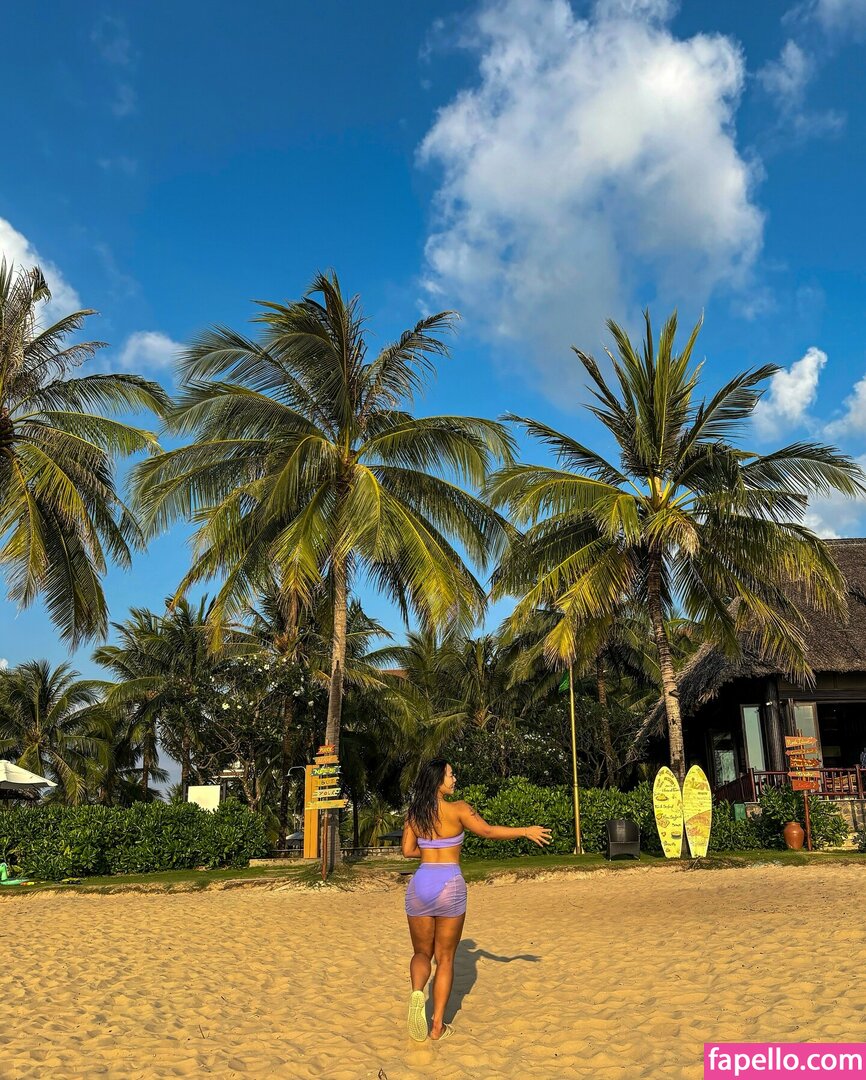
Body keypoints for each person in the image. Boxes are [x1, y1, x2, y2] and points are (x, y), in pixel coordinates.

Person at [401, 758, 552, 1042]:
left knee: (421, 953)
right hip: (449, 884)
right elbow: (488, 832)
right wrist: (525, 831)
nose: (454, 779)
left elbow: (408, 851)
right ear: (438, 780)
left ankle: (418, 992)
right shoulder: (459, 809)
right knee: (445, 959)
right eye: (450, 774)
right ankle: (437, 1026)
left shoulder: (414, 814)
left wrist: (432, 849)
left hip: (421, 884)